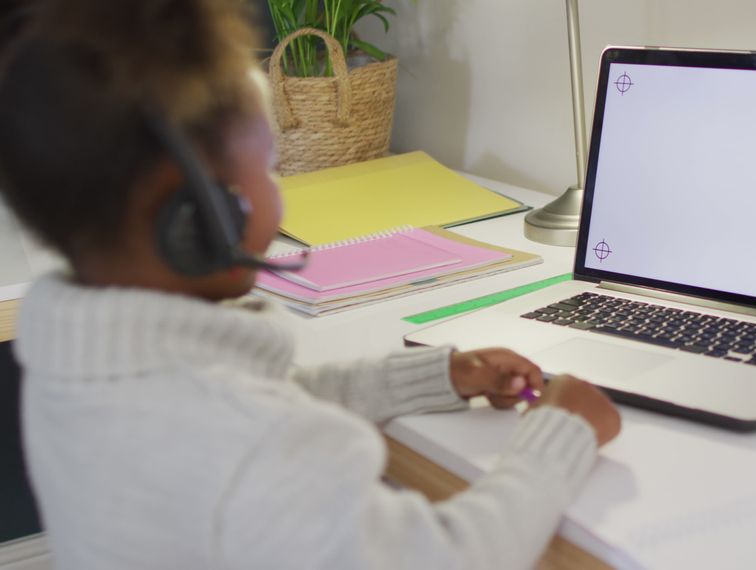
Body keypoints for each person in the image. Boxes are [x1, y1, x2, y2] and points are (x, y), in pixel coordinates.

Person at [0, 1, 621, 568]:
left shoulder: (78, 368)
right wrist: (560, 436)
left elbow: (265, 398)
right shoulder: (255, 445)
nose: (280, 197)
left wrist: (434, 377)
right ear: (196, 216)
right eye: (268, 170)